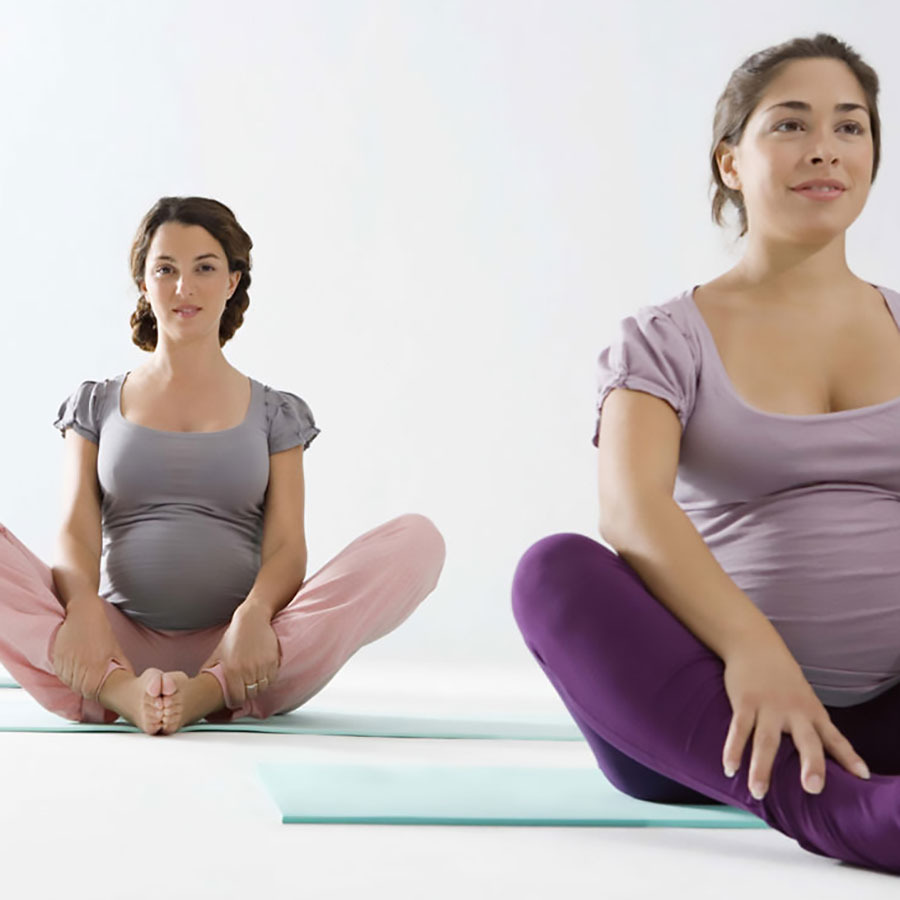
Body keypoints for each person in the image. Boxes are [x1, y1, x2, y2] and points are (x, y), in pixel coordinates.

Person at [511, 33, 900, 874]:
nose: (825, 149)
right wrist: (754, 651)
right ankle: (841, 815)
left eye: (852, 126)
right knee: (552, 571)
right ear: (732, 162)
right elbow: (631, 511)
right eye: (791, 125)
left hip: (892, 717)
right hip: (708, 719)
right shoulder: (663, 338)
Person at [0, 196, 446, 736]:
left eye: (204, 268)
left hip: (245, 654)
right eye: (165, 269)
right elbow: (75, 531)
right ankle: (121, 693)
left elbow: (286, 547)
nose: (184, 288)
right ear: (143, 283)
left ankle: (205, 694)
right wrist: (85, 613)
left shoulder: (276, 413)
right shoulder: (95, 405)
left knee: (418, 540)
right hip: (108, 647)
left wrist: (255, 617)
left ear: (232, 281)